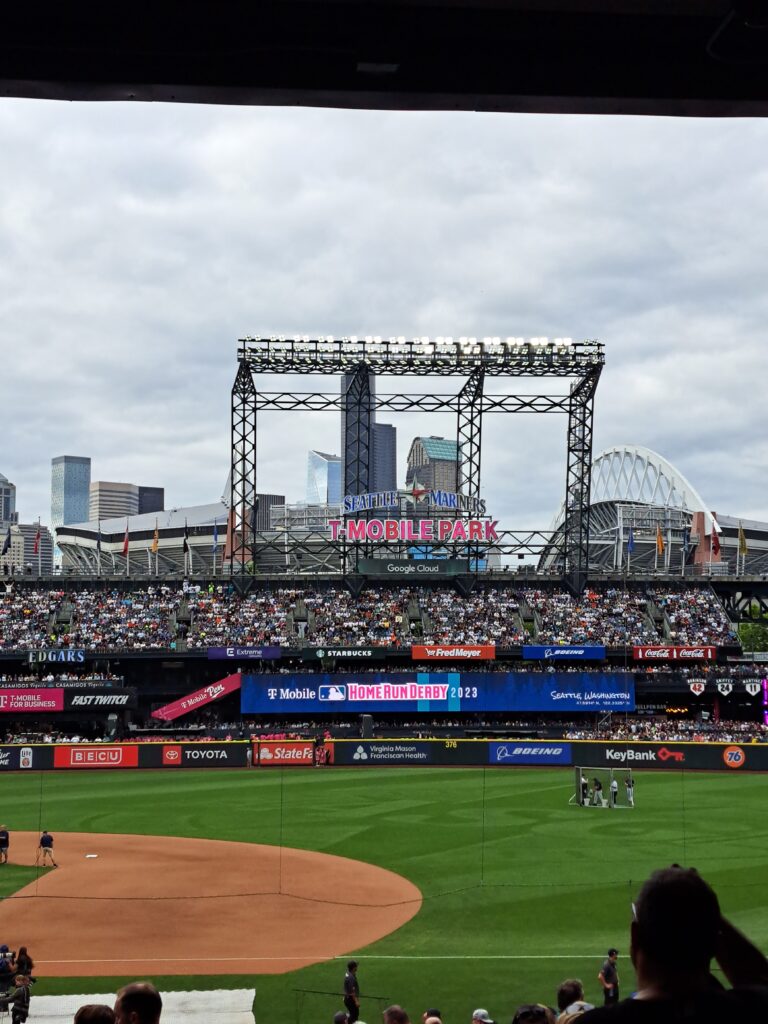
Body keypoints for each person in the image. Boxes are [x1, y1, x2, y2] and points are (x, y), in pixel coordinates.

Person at [580, 865, 768, 1022]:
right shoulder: (750, 1011)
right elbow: (762, 982)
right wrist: (703, 909)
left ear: (635, 936)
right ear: (714, 942)